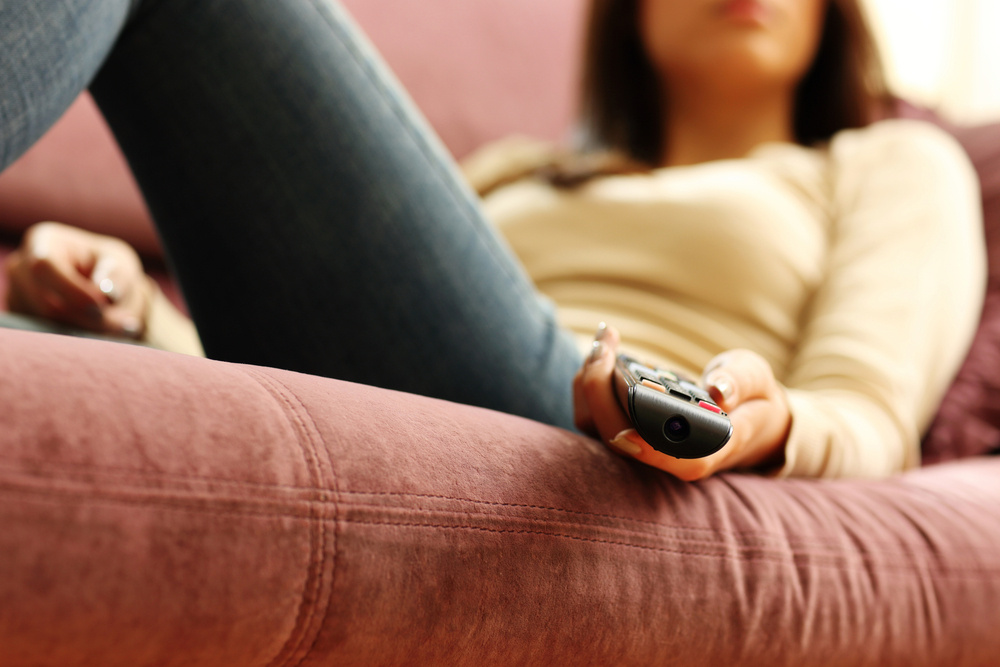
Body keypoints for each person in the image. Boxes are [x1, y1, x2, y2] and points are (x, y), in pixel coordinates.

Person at [3, 0, 983, 482]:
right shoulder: (520, 169)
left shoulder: (888, 162)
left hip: (595, 425)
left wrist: (758, 425)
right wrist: (133, 313)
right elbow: (299, 355)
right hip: (422, 393)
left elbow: (866, 414)